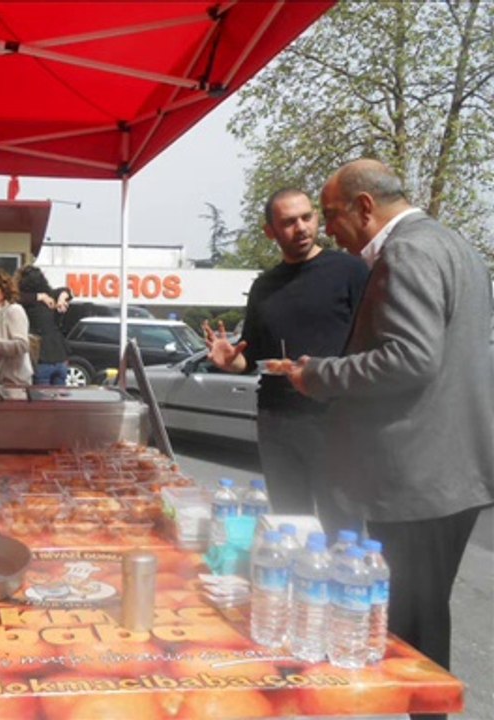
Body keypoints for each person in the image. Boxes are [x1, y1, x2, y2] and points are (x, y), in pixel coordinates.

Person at [285, 159, 494, 685]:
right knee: (422, 618)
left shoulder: (407, 252)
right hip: (451, 472)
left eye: (332, 214)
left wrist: (319, 374)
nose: (328, 231)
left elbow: (411, 358)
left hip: (416, 477)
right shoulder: (456, 246)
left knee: (411, 632)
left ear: (364, 206)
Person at [203, 188, 369, 533]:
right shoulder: (265, 286)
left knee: (343, 527)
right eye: (289, 222)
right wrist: (230, 361)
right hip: (276, 419)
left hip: (335, 420)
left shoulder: (350, 271)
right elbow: (251, 359)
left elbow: (373, 343)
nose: (302, 228)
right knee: (289, 524)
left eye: (307, 217)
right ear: (270, 231)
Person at [14, 264, 72, 385]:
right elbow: (66, 291)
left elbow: (14, 297)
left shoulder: (27, 302)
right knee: (60, 395)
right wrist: (61, 298)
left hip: (42, 358)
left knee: (42, 396)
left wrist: (39, 297)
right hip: (60, 357)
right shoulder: (51, 296)